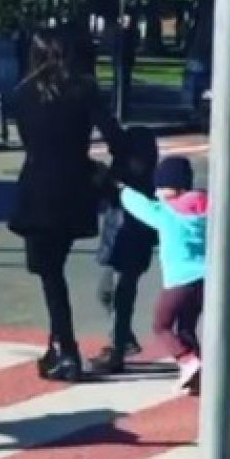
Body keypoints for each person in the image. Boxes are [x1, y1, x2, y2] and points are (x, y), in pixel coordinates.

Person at [9, 29, 125, 382]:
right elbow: (115, 137)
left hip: (37, 191)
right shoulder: (85, 89)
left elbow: (30, 140)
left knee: (50, 275)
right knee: (51, 271)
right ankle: (57, 345)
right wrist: (106, 174)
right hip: (75, 189)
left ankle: (67, 350)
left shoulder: (22, 94)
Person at [114, 156, 208, 394]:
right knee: (186, 326)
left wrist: (122, 189)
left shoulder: (166, 213)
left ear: (172, 187)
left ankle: (188, 361)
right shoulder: (207, 209)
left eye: (160, 186)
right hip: (206, 280)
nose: (156, 191)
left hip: (179, 280)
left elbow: (139, 206)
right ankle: (198, 375)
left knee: (161, 326)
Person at [90, 127, 160, 374]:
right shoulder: (122, 173)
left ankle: (116, 348)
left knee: (122, 295)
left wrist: (108, 181)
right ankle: (123, 338)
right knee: (106, 293)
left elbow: (121, 194)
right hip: (115, 239)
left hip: (132, 243)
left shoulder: (141, 182)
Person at [112, 14, 139, 119]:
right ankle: (117, 108)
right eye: (126, 21)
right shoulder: (119, 34)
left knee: (125, 86)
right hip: (120, 62)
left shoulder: (129, 34)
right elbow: (116, 48)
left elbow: (132, 48)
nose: (128, 23)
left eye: (128, 21)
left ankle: (124, 108)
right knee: (119, 85)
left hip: (126, 62)